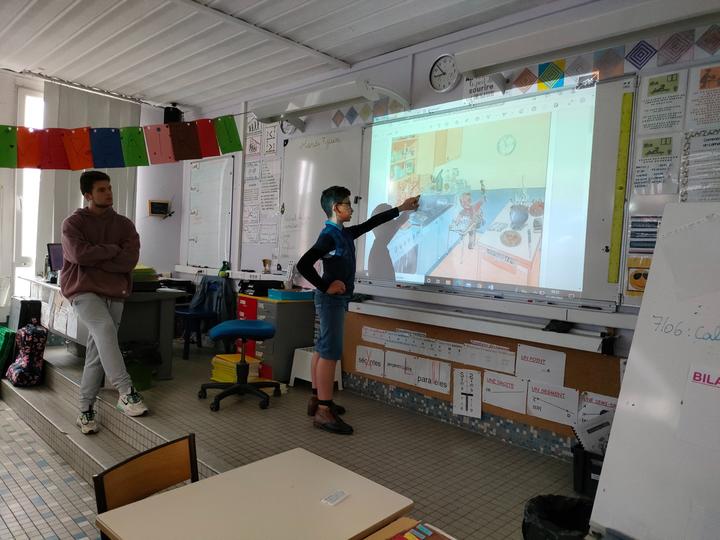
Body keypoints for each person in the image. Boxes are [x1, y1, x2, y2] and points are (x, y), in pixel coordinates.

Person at [297, 187, 420, 435]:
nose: (351, 208)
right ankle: (323, 411)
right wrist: (325, 286)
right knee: (330, 353)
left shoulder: (342, 233)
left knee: (322, 349)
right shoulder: (329, 236)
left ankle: (318, 399)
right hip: (331, 301)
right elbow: (304, 264)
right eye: (347, 204)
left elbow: (370, 224)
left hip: (334, 300)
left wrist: (401, 208)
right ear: (336, 208)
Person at [60, 170, 148, 435]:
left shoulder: (124, 225)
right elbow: (78, 255)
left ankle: (85, 409)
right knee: (105, 330)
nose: (108, 193)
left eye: (109, 188)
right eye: (101, 189)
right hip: (83, 290)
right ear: (88, 194)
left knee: (97, 351)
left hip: (115, 291)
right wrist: (112, 250)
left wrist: (96, 257)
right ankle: (126, 391)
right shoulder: (73, 224)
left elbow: (128, 260)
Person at [367, 203, 409, 282]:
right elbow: (395, 226)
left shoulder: (379, 245)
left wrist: (407, 212)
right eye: (392, 221)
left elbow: (395, 225)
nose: (394, 223)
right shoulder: (379, 250)